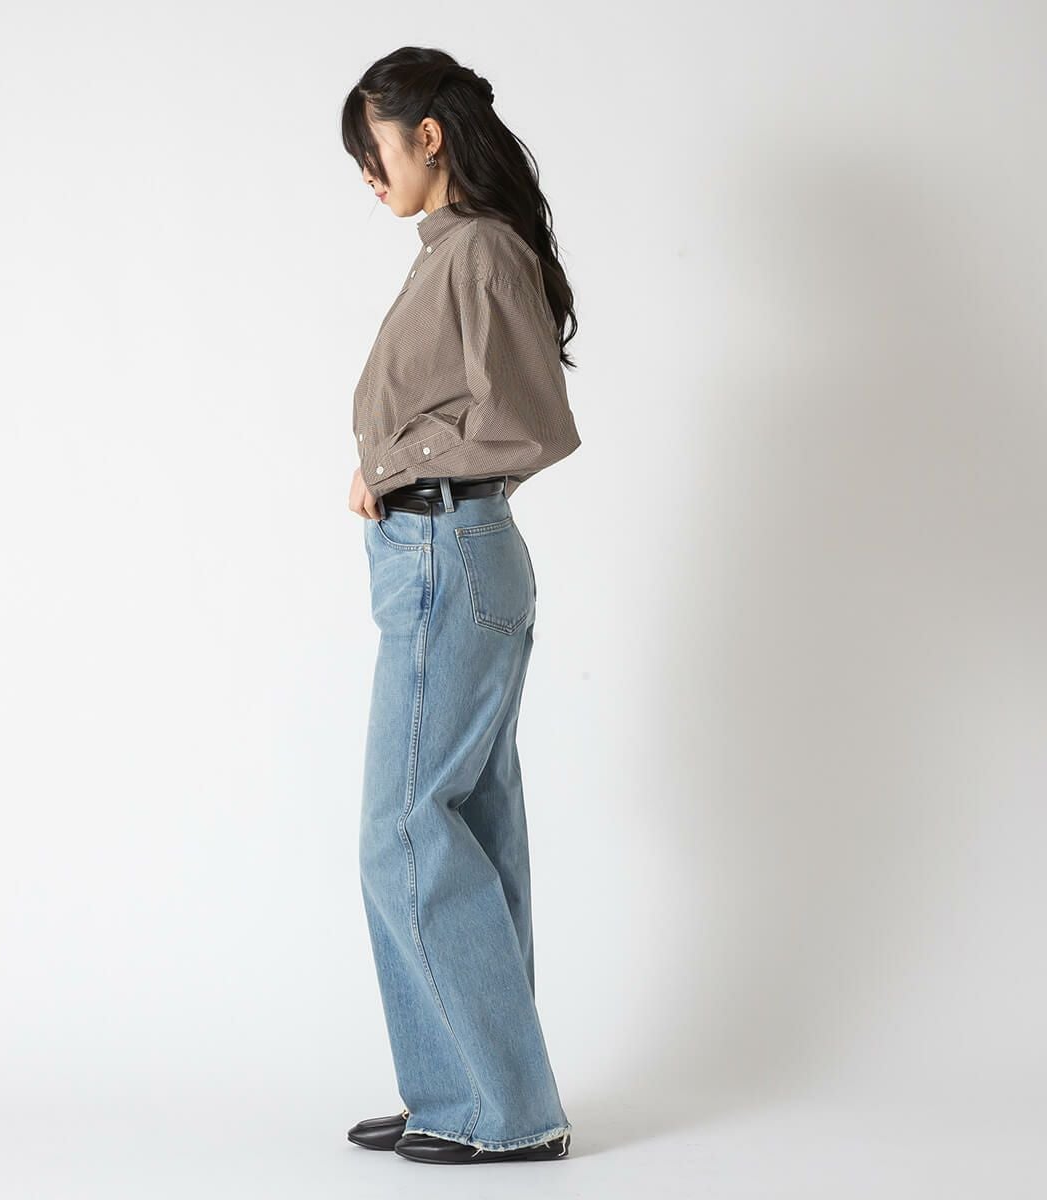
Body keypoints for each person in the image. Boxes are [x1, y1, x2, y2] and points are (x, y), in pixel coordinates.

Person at [340, 47, 582, 1166]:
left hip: (448, 555)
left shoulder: (477, 249)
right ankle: (465, 1084)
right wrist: (400, 472)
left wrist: (397, 466)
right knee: (466, 826)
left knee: (404, 830)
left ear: (427, 136)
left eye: (373, 150)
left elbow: (530, 422)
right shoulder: (456, 250)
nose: (368, 175)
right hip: (446, 553)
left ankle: (500, 1107)